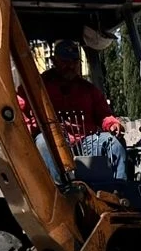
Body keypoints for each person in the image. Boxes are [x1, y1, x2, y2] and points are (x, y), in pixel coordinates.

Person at [19, 39, 127, 184]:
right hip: (53, 141)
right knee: (43, 143)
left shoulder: (88, 90)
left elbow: (104, 114)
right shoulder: (37, 85)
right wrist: (31, 129)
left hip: (84, 140)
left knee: (114, 144)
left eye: (74, 62)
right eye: (65, 61)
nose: (70, 66)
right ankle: (62, 192)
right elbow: (20, 110)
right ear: (54, 61)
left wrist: (112, 124)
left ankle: (119, 192)